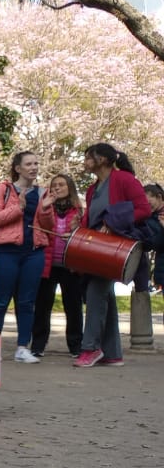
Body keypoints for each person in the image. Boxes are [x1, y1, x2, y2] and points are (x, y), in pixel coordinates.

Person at [73, 143, 150, 367]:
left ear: (103, 159)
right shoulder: (92, 189)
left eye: (89, 157)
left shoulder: (125, 180)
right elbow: (92, 219)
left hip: (115, 249)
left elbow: (143, 209)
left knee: (96, 293)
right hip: (98, 249)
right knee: (104, 295)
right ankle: (112, 353)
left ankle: (90, 348)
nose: (86, 162)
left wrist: (114, 223)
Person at [0, 150, 55, 364]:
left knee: (27, 301)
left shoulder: (42, 192)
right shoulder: (3, 189)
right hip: (7, 251)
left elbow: (49, 226)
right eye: (29, 164)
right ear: (18, 168)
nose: (34, 167)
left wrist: (46, 210)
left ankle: (22, 348)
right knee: (1, 300)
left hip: (34, 252)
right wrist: (19, 208)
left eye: (36, 163)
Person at [31, 174, 84, 358]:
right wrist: (45, 207)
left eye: (61, 185)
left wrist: (75, 233)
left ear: (70, 187)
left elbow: (85, 235)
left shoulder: (79, 210)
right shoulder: (45, 207)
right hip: (47, 264)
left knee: (73, 307)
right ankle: (38, 345)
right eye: (54, 185)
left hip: (70, 265)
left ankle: (76, 345)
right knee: (42, 306)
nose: (57, 188)